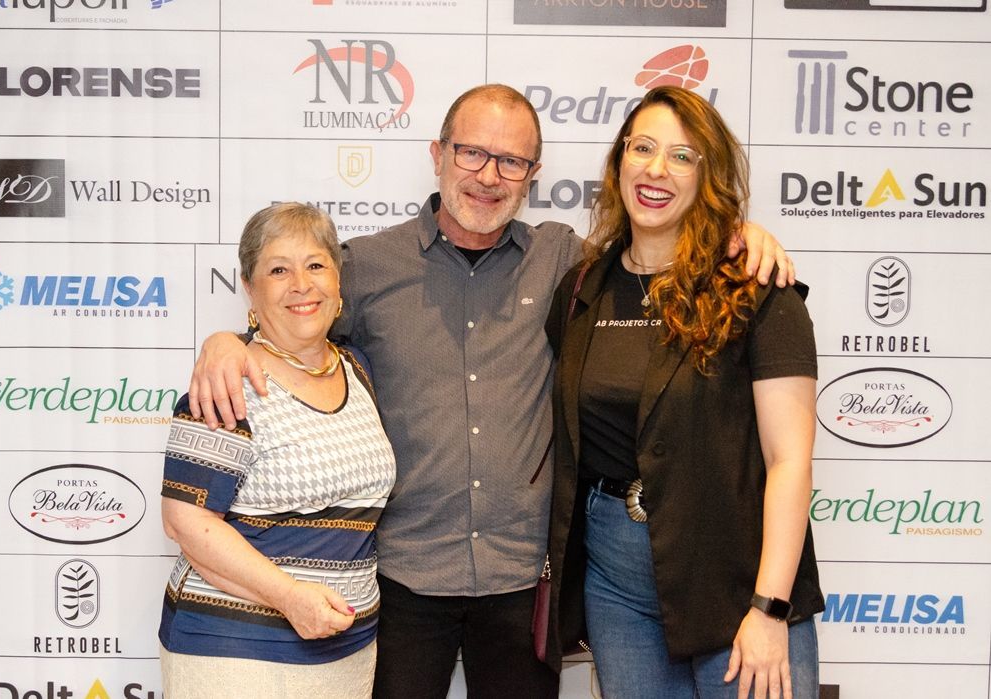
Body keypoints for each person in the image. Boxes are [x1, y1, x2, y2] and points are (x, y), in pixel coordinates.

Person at [187, 84, 794, 698]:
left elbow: (653, 255)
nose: (488, 177)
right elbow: (295, 310)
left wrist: (737, 234)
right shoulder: (366, 266)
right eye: (472, 153)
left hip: (523, 581)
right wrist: (229, 341)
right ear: (438, 153)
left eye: (512, 162)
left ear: (532, 174)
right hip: (403, 579)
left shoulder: (564, 262)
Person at [542, 86, 823, 699]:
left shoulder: (756, 287)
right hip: (616, 586)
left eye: (682, 156)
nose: (656, 169)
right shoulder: (582, 286)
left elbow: (789, 461)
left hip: (735, 573)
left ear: (707, 175)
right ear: (618, 162)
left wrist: (770, 609)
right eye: (642, 148)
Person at [158, 203, 396, 698]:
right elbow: (186, 523)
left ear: (337, 280)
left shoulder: (356, 367)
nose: (301, 284)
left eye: (315, 265)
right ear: (249, 286)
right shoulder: (227, 386)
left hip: (346, 650)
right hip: (235, 653)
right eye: (278, 270)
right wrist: (291, 598)